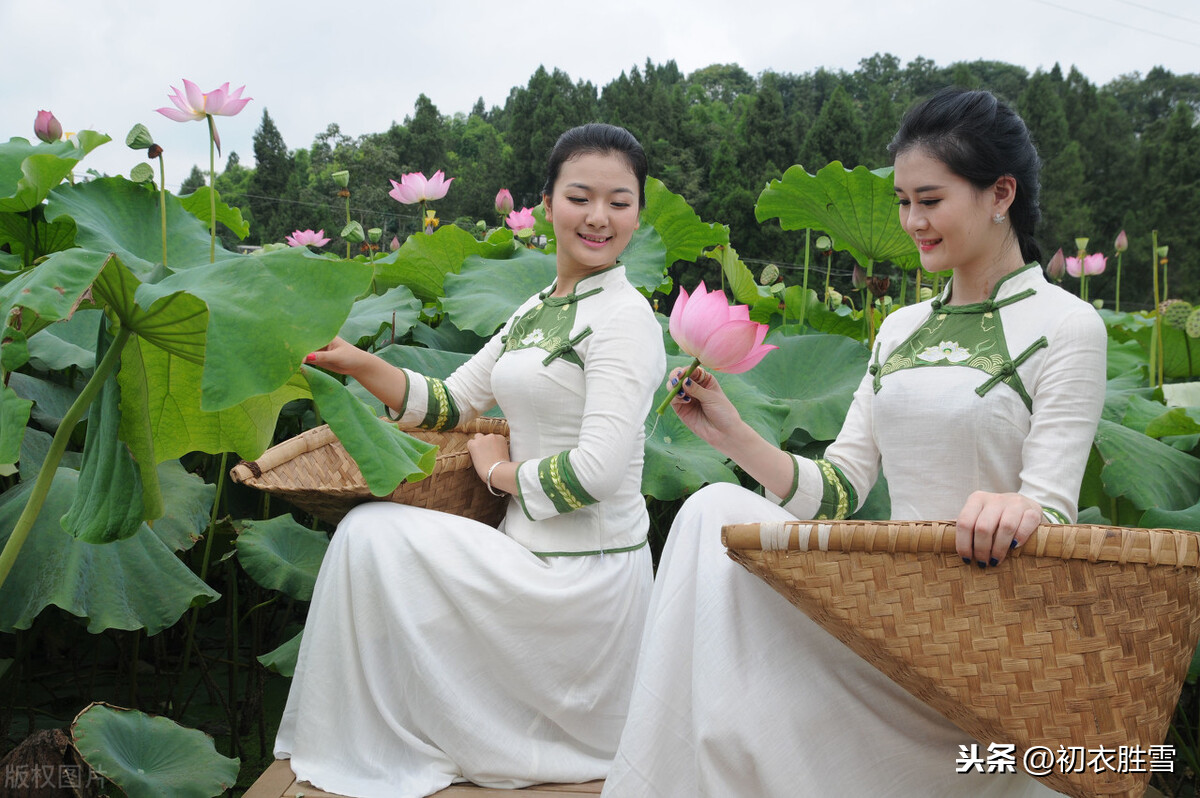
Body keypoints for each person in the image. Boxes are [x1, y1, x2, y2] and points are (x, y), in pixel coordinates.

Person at [602, 88, 1107, 797]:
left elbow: (1049, 510)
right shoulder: (899, 329)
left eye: (929, 200)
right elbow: (838, 490)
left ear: (1001, 193)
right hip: (887, 617)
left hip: (983, 644)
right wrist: (736, 436)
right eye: (903, 201)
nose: (912, 223)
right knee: (713, 508)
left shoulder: (1069, 326)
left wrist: (1017, 511)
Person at [275, 123, 666, 798]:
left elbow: (598, 473)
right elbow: (452, 402)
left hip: (585, 584)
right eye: (580, 197)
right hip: (525, 554)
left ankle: (393, 731)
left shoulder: (625, 321)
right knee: (367, 537)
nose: (599, 217)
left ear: (637, 212)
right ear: (548, 204)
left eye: (619, 201)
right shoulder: (537, 310)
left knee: (373, 536)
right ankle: (383, 727)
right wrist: (358, 362)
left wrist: (496, 473)